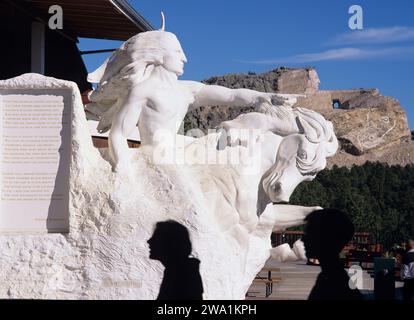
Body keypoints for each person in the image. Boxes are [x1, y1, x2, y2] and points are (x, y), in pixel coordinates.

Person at [303, 208, 363, 300]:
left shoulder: (333, 285)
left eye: (309, 233)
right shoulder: (331, 278)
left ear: (324, 239)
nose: (303, 239)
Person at [147, 220, 203, 300]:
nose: (149, 241)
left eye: (156, 238)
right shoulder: (175, 271)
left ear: (171, 244)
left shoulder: (182, 274)